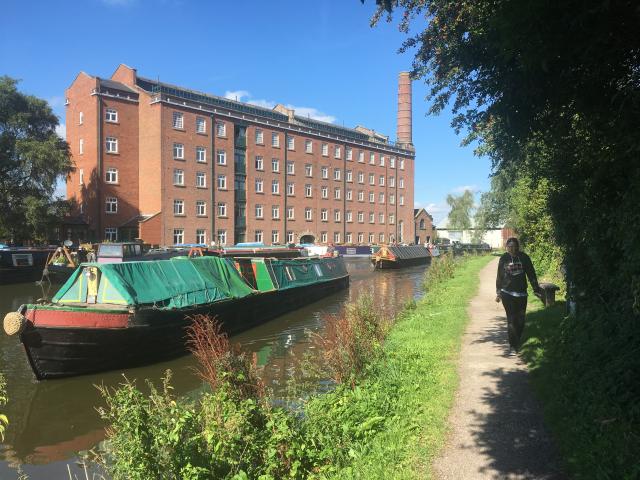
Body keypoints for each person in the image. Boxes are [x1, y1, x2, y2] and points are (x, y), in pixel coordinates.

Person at [495, 237, 542, 351]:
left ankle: (517, 339)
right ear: (507, 247)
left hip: (521, 294)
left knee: (520, 320)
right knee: (511, 319)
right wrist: (498, 292)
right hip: (507, 293)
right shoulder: (504, 258)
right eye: (509, 246)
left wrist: (536, 288)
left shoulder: (524, 257)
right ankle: (513, 345)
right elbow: (499, 276)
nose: (512, 249)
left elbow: (531, 273)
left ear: (518, 247)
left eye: (514, 246)